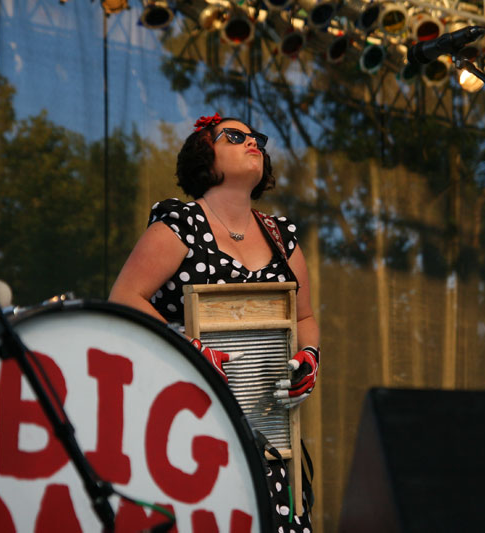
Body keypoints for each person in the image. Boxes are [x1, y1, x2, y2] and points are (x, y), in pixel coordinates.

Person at [109, 113, 319, 530]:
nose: (252, 142)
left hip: (266, 442)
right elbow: (124, 298)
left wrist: (309, 358)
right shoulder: (180, 225)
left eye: (255, 137)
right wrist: (187, 348)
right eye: (235, 136)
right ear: (204, 153)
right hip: (186, 431)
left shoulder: (282, 237)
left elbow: (305, 317)